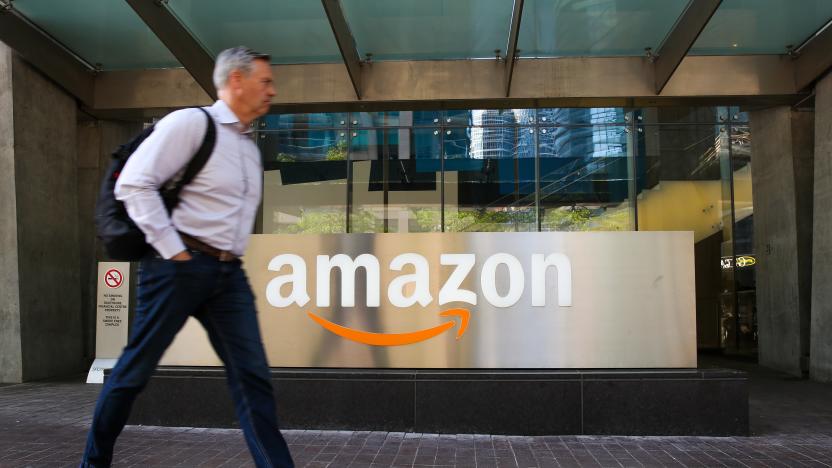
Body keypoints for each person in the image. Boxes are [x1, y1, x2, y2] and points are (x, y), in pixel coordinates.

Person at [81, 46, 293, 468]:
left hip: (228, 276)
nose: (272, 90)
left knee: (253, 379)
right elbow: (135, 185)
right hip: (177, 267)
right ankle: (93, 463)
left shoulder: (249, 148)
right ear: (236, 80)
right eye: (264, 81)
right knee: (133, 374)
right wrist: (173, 251)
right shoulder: (191, 124)